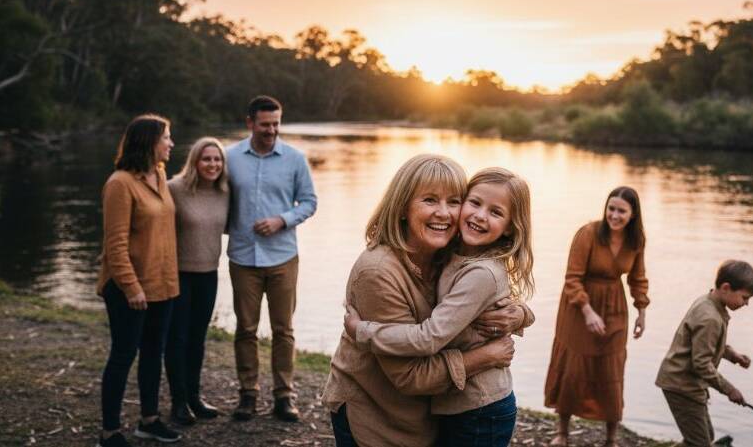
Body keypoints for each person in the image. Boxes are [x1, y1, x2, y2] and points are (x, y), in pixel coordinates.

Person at [322, 155, 527, 447]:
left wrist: (518, 314)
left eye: (454, 201)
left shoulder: (449, 252)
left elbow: (488, 289)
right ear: (403, 206)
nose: (443, 213)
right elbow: (410, 377)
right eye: (430, 200)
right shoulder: (378, 271)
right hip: (378, 415)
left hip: (433, 414)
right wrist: (485, 356)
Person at [226, 95, 318, 422]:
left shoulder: (295, 159)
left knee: (284, 330)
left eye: (276, 123)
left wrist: (282, 220)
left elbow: (309, 202)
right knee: (246, 329)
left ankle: (284, 396)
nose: (272, 130)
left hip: (283, 258)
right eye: (265, 124)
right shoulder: (230, 157)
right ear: (250, 123)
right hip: (242, 258)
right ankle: (248, 394)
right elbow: (214, 198)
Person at [96, 114, 180, 447]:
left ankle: (149, 420)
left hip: (162, 286)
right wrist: (131, 287)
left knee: (152, 354)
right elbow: (114, 244)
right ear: (149, 142)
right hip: (129, 289)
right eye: (167, 138)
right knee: (122, 355)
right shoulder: (120, 183)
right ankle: (110, 431)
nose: (171, 143)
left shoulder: (159, 175)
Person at [544, 186, 650, 447]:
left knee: (612, 368)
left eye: (621, 211)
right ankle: (562, 432)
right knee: (574, 367)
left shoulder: (636, 241)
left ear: (633, 214)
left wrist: (642, 311)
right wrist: (587, 310)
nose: (614, 215)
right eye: (611, 209)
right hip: (578, 307)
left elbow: (638, 279)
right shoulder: (588, 233)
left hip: (615, 307)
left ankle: (611, 437)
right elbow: (572, 278)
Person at [655, 260, 753, 447]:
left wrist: (732, 355)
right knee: (700, 442)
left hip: (686, 383)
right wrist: (730, 390)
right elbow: (701, 363)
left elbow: (706, 344)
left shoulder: (708, 302)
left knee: (704, 437)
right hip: (682, 385)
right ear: (726, 287)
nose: (747, 304)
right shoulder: (710, 317)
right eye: (745, 297)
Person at [164, 137, 229, 425]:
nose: (213, 164)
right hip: (179, 275)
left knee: (197, 339)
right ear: (194, 161)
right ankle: (178, 403)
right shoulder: (174, 189)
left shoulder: (224, 191)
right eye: (207, 159)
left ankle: (194, 397)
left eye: (217, 159)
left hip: (209, 274)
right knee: (177, 339)